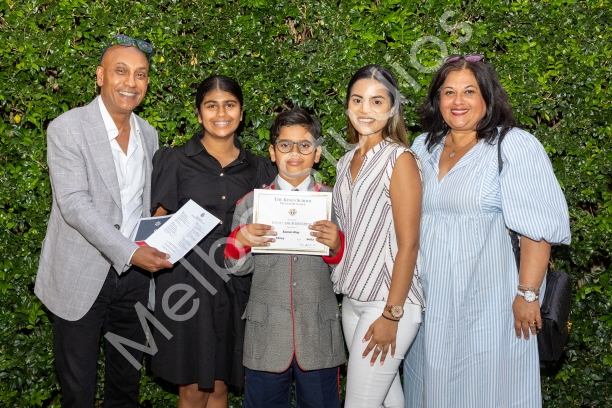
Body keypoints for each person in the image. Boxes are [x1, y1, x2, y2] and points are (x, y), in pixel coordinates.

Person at [402, 55, 571, 408]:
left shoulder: (513, 146)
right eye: (448, 92)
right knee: (432, 387)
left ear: (487, 97)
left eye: (469, 91)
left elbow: (537, 230)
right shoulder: (422, 147)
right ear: (437, 100)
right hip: (430, 300)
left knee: (489, 387)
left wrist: (528, 294)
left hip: (489, 302)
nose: (458, 101)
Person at [35, 35, 173, 407]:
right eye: (121, 71)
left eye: (140, 74)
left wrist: (162, 226)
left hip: (135, 280)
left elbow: (144, 204)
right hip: (81, 274)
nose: (131, 82)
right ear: (100, 76)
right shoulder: (67, 128)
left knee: (125, 385)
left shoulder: (149, 134)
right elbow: (74, 204)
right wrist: (130, 252)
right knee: (78, 390)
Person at [150, 75, 277, 408]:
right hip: (185, 287)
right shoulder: (174, 160)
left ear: (241, 112)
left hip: (235, 285)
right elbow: (156, 224)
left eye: (229, 105)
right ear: (198, 113)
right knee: (193, 390)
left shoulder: (259, 169)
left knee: (220, 387)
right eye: (211, 105)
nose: (221, 113)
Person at [224, 109, 347, 408]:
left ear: (317, 153)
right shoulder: (251, 204)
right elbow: (237, 268)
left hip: (319, 334)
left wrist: (337, 247)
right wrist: (239, 242)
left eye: (304, 145)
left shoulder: (336, 202)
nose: (294, 153)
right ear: (272, 152)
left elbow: (349, 270)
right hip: (266, 335)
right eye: (285, 145)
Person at [331, 64, 424, 408]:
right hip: (352, 299)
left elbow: (409, 244)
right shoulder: (344, 162)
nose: (365, 109)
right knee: (388, 402)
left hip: (388, 303)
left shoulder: (400, 159)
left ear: (392, 107)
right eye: (357, 100)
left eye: (377, 101)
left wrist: (391, 314)